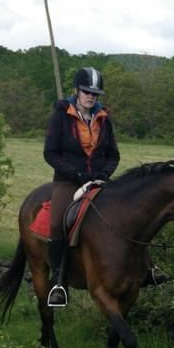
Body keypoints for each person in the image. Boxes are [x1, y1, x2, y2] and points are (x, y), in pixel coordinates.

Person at [42, 67, 120, 307]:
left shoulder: (104, 118)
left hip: (98, 180)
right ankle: (59, 282)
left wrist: (102, 174)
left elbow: (113, 155)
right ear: (76, 90)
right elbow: (50, 153)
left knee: (126, 213)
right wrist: (76, 174)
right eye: (87, 91)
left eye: (95, 94)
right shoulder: (61, 115)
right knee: (57, 223)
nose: (91, 96)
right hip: (68, 181)